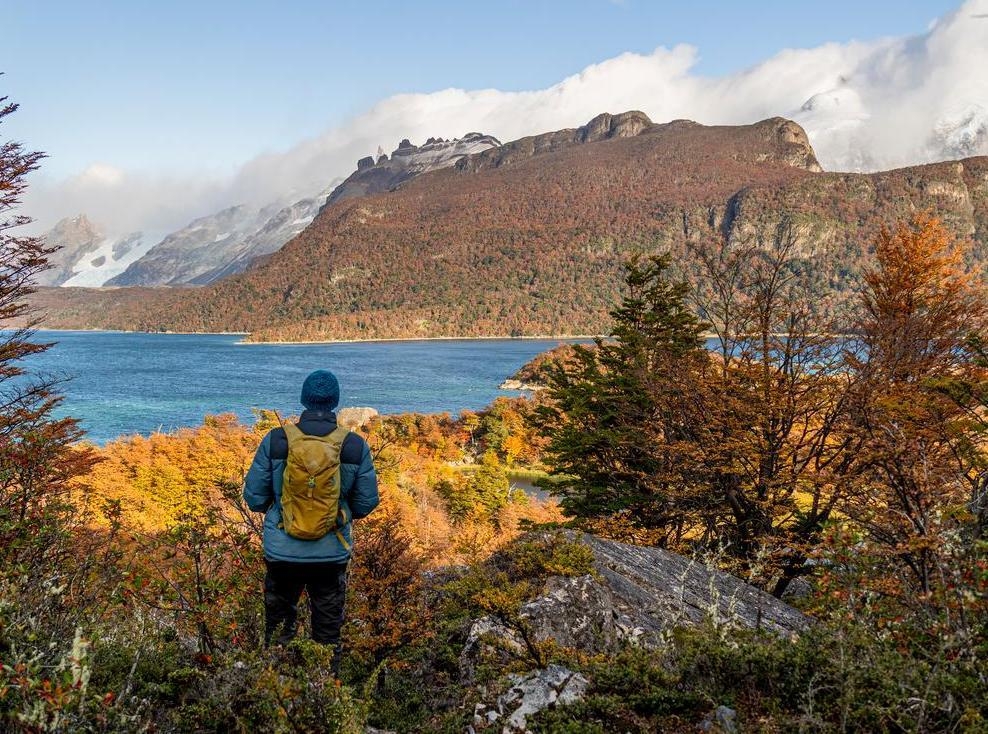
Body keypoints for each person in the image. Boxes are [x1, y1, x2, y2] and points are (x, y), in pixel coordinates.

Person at [243, 369, 379, 670]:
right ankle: (327, 701)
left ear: (304, 400)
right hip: (330, 554)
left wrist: (282, 509)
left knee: (279, 631)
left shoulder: (277, 440)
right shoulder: (354, 445)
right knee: (327, 634)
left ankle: (278, 697)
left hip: (282, 552)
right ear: (335, 402)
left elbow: (253, 498)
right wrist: (337, 514)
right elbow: (367, 502)